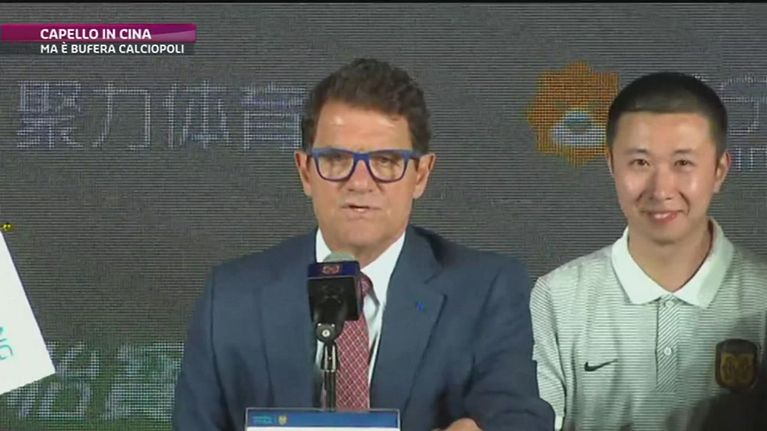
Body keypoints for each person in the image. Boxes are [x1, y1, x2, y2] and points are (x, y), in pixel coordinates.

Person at [173, 58, 554, 431]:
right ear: (305, 172)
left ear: (421, 175)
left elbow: (519, 417)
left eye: (386, 161)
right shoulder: (231, 298)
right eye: (336, 159)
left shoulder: (485, 291)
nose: (359, 182)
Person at [531, 71, 767, 430]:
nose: (661, 189)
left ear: (719, 170)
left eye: (683, 163)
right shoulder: (557, 298)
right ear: (612, 164)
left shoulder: (761, 296)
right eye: (640, 163)